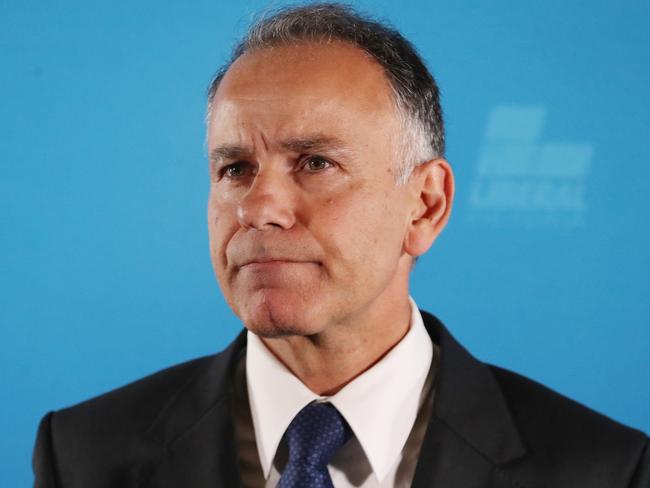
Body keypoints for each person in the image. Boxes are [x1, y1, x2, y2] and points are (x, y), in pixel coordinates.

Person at [33, 3, 649, 487]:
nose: (258, 208)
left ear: (425, 205)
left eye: (316, 162)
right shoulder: (84, 455)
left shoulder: (603, 469)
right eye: (235, 169)